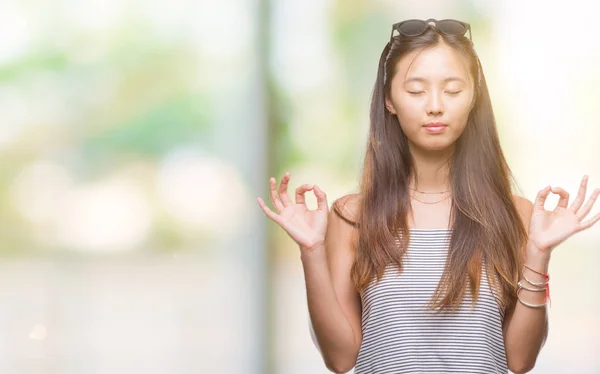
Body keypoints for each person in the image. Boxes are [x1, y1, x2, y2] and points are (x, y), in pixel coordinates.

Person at [256, 18, 600, 374]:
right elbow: (341, 359)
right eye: (416, 91)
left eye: (452, 90)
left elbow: (520, 360)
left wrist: (539, 254)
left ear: (473, 97)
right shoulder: (353, 216)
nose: (435, 106)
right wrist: (311, 251)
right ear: (389, 100)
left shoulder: (516, 214)